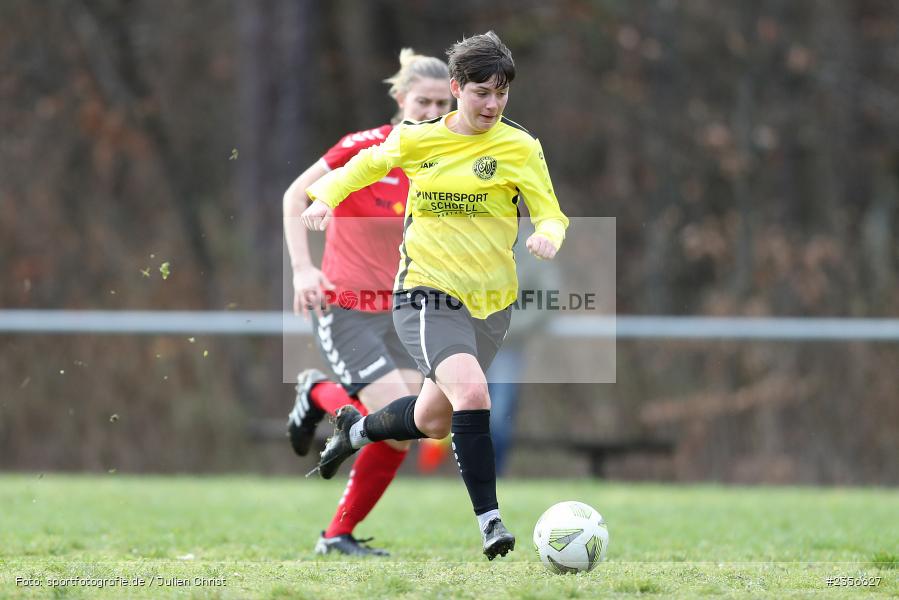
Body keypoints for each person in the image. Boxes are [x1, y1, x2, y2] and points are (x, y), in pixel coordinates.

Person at [300, 31, 569, 561]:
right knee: (473, 396)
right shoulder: (420, 139)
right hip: (426, 293)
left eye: (502, 93)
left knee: (432, 420)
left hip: (491, 306)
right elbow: (364, 166)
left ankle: (356, 431)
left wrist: (548, 236)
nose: (493, 104)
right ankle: (491, 524)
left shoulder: (521, 147)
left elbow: (552, 212)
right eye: (481, 93)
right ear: (457, 88)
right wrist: (325, 199)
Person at [283, 48, 452, 556]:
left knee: (415, 425)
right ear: (400, 99)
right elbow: (295, 196)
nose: (432, 112)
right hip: (346, 307)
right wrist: (302, 269)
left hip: (403, 312)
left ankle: (337, 536)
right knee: (397, 416)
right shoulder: (367, 148)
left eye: (443, 103)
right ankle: (317, 394)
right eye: (423, 101)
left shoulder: (448, 161)